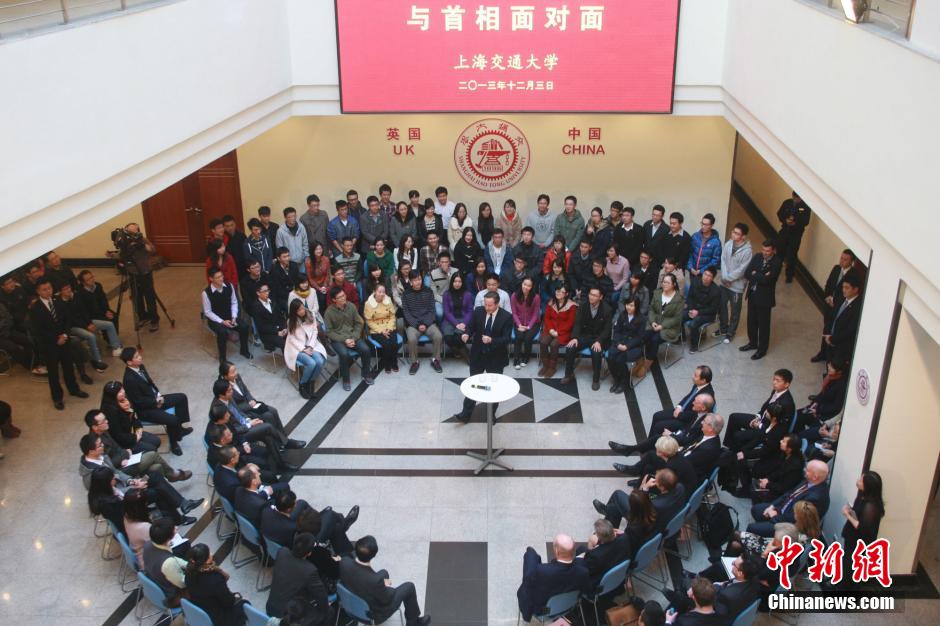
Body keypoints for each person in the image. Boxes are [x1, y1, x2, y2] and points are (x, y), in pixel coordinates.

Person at [80, 435, 201, 525]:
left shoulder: (102, 456)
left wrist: (131, 481)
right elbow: (110, 494)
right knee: (157, 491)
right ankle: (178, 518)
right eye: (99, 445)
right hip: (123, 498)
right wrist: (132, 487)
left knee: (155, 475)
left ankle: (182, 504)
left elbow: (117, 472)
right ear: (91, 451)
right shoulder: (90, 475)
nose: (103, 446)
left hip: (126, 486)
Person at [340, 535, 431, 626]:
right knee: (409, 587)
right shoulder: (375, 581)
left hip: (351, 607)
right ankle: (413, 623)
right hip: (374, 615)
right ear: (374, 554)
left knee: (384, 573)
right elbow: (386, 600)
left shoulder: (344, 562)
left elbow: (369, 578)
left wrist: (381, 582)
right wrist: (385, 586)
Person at [452, 291, 514, 423]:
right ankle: (465, 414)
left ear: (497, 304)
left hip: (496, 357)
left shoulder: (506, 317)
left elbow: (507, 338)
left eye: (490, 305)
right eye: (485, 304)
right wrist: (467, 334)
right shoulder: (478, 311)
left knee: (494, 387)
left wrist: (492, 340)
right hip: (478, 354)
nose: (487, 307)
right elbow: (471, 327)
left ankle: (491, 415)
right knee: (473, 384)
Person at [85, 409, 191, 482]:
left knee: (157, 467)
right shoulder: (95, 444)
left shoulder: (103, 431)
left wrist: (124, 453)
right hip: (120, 470)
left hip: (125, 459)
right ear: (94, 427)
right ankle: (173, 474)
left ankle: (164, 487)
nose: (107, 421)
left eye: (106, 419)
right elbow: (107, 464)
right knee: (152, 455)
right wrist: (125, 454)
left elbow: (117, 447)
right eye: (103, 421)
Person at [121, 347, 192, 455]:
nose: (140, 357)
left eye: (139, 355)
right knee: (172, 420)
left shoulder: (140, 366)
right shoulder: (129, 379)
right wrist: (155, 402)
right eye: (137, 357)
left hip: (155, 399)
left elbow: (150, 383)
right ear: (129, 362)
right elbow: (138, 401)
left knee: (182, 397)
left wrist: (158, 395)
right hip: (145, 410)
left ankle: (179, 430)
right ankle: (174, 443)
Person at [30, 278, 87, 409]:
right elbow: (38, 330)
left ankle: (74, 389)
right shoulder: (35, 308)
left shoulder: (58, 301)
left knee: (68, 367)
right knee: (53, 373)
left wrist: (65, 335)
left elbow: (67, 320)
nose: (48, 291)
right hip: (49, 346)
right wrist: (56, 339)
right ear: (38, 291)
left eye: (49, 288)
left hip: (64, 341)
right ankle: (57, 398)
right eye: (44, 289)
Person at [517, 533, 591, 623]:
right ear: (573, 550)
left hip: (544, 610)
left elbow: (528, 579)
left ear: (557, 551)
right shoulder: (583, 572)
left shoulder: (542, 571)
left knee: (531, 557)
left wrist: (530, 551)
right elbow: (585, 590)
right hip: (569, 605)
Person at [747, 460, 830, 537]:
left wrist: (774, 516)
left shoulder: (815, 498)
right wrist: (772, 506)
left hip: (791, 525)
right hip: (784, 509)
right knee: (756, 509)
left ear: (815, 477)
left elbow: (794, 518)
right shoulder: (809, 480)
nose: (804, 470)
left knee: (751, 528)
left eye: (807, 470)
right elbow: (790, 493)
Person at [266, 533, 332, 624]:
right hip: (288, 616)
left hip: (270, 607)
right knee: (329, 611)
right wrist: (326, 606)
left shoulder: (282, 552)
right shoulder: (310, 570)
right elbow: (321, 596)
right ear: (309, 553)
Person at [724, 369, 795, 450]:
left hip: (766, 431)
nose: (774, 382)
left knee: (738, 435)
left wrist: (759, 425)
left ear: (786, 384)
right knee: (734, 417)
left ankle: (736, 451)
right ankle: (729, 445)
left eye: (778, 381)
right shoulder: (776, 391)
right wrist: (758, 416)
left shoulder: (787, 404)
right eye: (774, 379)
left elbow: (778, 428)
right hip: (762, 420)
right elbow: (765, 406)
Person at [838, 471, 885, 588]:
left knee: (850, 568)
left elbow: (862, 528)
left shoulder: (871, 505)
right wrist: (851, 511)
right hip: (852, 537)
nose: (858, 481)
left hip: (859, 542)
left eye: (861, 480)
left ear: (867, 486)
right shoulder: (862, 496)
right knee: (846, 564)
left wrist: (847, 514)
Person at [561, 287, 613, 389]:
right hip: (585, 335)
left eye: (595, 295)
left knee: (596, 352)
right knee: (570, 347)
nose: (591, 297)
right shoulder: (583, 306)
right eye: (590, 294)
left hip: (598, 337)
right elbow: (577, 323)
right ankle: (568, 374)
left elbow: (607, 330)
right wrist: (575, 337)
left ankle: (596, 379)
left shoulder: (607, 309)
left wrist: (599, 341)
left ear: (600, 297)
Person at [634, 274, 684, 381]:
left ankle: (646, 365)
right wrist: (652, 322)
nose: (664, 284)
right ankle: (640, 360)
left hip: (669, 327)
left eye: (667, 282)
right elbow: (651, 309)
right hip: (655, 322)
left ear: (673, 284)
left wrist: (663, 326)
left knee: (654, 339)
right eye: (663, 282)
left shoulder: (679, 299)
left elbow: (677, 318)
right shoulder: (657, 293)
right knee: (643, 335)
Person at [183, 543, 248, 625]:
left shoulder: (188, 574)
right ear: (206, 561)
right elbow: (229, 602)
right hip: (217, 618)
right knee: (245, 604)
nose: (212, 554)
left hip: (201, 611)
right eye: (209, 554)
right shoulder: (215, 579)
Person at [324, 286, 374, 390]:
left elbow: (359, 323)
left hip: (352, 336)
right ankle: (346, 379)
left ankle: (366, 373)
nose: (343, 298)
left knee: (366, 349)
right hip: (338, 339)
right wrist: (344, 340)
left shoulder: (351, 306)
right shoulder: (329, 312)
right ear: (334, 300)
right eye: (340, 297)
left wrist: (354, 337)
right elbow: (329, 332)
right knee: (344, 354)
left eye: (344, 295)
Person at [740, 240, 782, 360]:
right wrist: (760, 275)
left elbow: (768, 280)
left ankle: (762, 349)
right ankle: (752, 343)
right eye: (763, 249)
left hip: (764, 298)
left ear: (773, 250)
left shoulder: (777, 263)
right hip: (752, 294)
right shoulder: (757, 257)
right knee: (751, 321)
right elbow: (747, 273)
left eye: (767, 251)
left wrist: (755, 274)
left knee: (763, 325)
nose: (764, 252)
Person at [202, 267, 252, 364]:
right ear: (211, 279)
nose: (221, 278)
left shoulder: (229, 286)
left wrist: (234, 317)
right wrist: (222, 321)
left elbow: (234, 302)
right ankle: (222, 357)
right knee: (222, 332)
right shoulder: (206, 293)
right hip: (216, 320)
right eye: (217, 277)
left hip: (230, 316)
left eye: (221, 276)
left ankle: (244, 350)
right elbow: (208, 312)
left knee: (244, 326)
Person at [117, 223, 160, 331]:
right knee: (136, 297)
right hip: (132, 272)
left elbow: (153, 250)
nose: (131, 233)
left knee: (150, 297)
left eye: (134, 230)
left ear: (138, 231)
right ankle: (142, 317)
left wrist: (141, 243)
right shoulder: (125, 241)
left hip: (145, 271)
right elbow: (122, 254)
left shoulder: (142, 239)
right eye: (129, 231)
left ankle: (154, 320)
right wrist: (112, 255)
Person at [57, 284, 109, 372]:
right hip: (72, 327)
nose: (68, 290)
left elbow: (84, 311)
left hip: (83, 323)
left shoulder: (76, 297)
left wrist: (89, 323)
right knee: (90, 336)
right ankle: (97, 362)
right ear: (60, 292)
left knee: (98, 329)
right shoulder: (60, 303)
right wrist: (86, 326)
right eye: (65, 289)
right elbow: (70, 320)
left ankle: (101, 353)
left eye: (69, 287)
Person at [715, 223, 753, 344]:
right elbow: (723, 260)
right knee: (721, 306)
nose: (733, 234)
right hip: (724, 282)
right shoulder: (728, 244)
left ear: (743, 236)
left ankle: (730, 333)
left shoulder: (747, 251)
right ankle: (723, 328)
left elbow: (742, 270)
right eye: (733, 232)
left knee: (735, 310)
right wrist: (725, 277)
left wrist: (729, 279)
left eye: (737, 233)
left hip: (736, 286)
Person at [401, 271, 443, 375]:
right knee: (411, 339)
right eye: (415, 280)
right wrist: (417, 325)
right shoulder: (405, 294)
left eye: (419, 279)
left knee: (438, 336)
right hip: (413, 324)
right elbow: (406, 313)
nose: (418, 282)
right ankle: (414, 362)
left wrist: (426, 324)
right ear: (410, 282)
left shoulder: (428, 291)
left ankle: (436, 360)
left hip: (428, 322)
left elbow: (432, 310)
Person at [283, 300, 327, 398]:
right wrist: (303, 349)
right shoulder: (291, 321)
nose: (302, 311)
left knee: (319, 361)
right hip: (297, 348)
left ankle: (311, 382)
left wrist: (310, 346)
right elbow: (291, 339)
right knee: (311, 363)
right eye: (299, 310)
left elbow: (315, 331)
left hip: (311, 344)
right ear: (295, 312)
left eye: (303, 308)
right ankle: (302, 384)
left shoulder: (310, 315)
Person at [76, 269, 124, 356]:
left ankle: (111, 339)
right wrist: (89, 323)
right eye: (88, 279)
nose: (92, 280)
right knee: (107, 322)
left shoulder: (98, 285)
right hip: (91, 316)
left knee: (114, 316)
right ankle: (114, 344)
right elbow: (82, 310)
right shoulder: (80, 292)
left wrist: (107, 311)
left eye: (92, 277)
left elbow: (103, 300)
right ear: (83, 282)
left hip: (101, 311)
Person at [746, 433, 805, 502]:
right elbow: (778, 471)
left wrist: (768, 484)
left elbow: (784, 488)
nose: (780, 441)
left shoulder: (795, 467)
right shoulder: (785, 453)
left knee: (755, 493)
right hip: (777, 483)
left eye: (783, 441)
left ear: (789, 449)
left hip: (783, 494)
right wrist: (768, 479)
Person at [793, 359, 848, 432]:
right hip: (819, 406)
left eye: (832, 367)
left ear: (839, 371)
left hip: (824, 415)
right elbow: (823, 393)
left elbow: (835, 407)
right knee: (796, 414)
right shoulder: (830, 377)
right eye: (829, 365)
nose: (828, 367)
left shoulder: (841, 386)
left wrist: (818, 410)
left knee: (799, 418)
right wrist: (816, 402)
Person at [142, 517, 188, 605]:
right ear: (168, 537)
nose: (176, 528)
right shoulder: (168, 563)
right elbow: (182, 583)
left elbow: (177, 561)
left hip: (158, 580)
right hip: (173, 595)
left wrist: (187, 565)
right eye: (174, 529)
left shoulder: (148, 544)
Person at [820, 272, 863, 364]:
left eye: (847, 288)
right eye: (843, 287)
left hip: (841, 347)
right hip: (830, 339)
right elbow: (833, 315)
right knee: (828, 363)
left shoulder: (858, 307)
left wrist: (833, 339)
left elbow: (850, 330)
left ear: (855, 289)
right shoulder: (842, 297)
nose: (843, 290)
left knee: (834, 367)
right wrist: (828, 333)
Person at [607, 297, 646, 393]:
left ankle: (624, 382)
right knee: (610, 356)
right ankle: (617, 380)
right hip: (620, 342)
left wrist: (627, 346)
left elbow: (639, 337)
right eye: (627, 304)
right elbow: (616, 331)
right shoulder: (622, 315)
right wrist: (618, 343)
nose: (629, 307)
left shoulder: (641, 319)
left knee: (620, 359)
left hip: (634, 346)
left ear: (636, 307)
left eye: (632, 305)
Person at [538, 285, 578, 379]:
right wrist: (551, 329)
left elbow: (570, 322)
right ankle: (545, 365)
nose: (558, 293)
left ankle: (552, 368)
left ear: (566, 294)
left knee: (554, 344)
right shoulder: (551, 302)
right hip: (550, 329)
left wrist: (558, 332)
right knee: (543, 342)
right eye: (557, 291)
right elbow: (547, 318)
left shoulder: (572, 306)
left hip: (564, 332)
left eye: (561, 291)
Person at [580, 519, 630, 587]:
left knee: (580, 552)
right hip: (618, 577)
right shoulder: (625, 538)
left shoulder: (596, 555)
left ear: (599, 538)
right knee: (581, 548)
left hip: (599, 583)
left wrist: (588, 551)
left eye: (596, 533)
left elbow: (587, 571)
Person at [775, 191, 812, 283]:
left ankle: (789, 275)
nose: (796, 200)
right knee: (779, 250)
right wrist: (785, 220)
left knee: (792, 255)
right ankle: (775, 270)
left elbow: (805, 221)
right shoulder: (787, 203)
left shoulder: (805, 207)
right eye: (795, 198)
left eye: (798, 199)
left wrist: (795, 223)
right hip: (785, 230)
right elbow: (780, 213)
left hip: (796, 234)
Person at [364, 283, 400, 374]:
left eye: (383, 292)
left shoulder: (388, 300)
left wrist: (389, 328)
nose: (382, 294)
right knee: (386, 345)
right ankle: (387, 364)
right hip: (376, 330)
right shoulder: (368, 304)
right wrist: (381, 331)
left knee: (394, 344)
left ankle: (394, 362)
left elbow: (392, 316)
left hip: (389, 327)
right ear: (374, 292)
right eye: (379, 292)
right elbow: (369, 321)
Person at [683, 267, 720, 353]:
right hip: (694, 309)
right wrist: (691, 309)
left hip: (707, 314)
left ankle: (694, 346)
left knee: (694, 323)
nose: (706, 277)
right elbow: (690, 297)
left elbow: (713, 309)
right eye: (705, 274)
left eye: (709, 276)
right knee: (680, 316)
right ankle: (682, 337)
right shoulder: (695, 282)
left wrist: (698, 312)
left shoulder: (716, 290)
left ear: (712, 278)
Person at [664, 576, 730, 625]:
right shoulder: (723, 609)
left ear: (693, 597)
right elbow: (716, 586)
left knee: (681, 594)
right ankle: (677, 596)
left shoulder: (684, 622)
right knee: (681, 596)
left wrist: (668, 622)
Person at [441, 273, 473, 361]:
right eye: (455, 281)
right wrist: (456, 324)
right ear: (452, 282)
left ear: (463, 283)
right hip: (449, 320)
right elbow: (447, 312)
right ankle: (460, 351)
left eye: (459, 281)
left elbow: (470, 311)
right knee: (448, 338)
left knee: (458, 337)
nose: (457, 284)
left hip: (463, 319)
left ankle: (466, 356)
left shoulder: (468, 294)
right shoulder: (446, 294)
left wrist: (464, 323)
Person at [510, 276, 540, 369]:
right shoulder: (514, 295)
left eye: (529, 285)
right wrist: (519, 325)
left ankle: (526, 358)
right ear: (521, 284)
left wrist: (528, 327)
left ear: (532, 287)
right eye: (524, 284)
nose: (526, 287)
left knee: (527, 338)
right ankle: (516, 359)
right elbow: (514, 313)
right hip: (519, 322)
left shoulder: (536, 297)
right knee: (519, 337)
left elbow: (535, 315)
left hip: (533, 323)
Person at [687, 213, 721, 286]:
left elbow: (715, 260)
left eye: (706, 225)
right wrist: (690, 267)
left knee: (703, 291)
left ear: (711, 225)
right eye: (702, 223)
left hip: (705, 274)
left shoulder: (716, 242)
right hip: (692, 272)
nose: (703, 226)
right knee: (692, 289)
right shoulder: (695, 236)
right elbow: (690, 253)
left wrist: (702, 271)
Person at [270, 247, 300, 317]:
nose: (287, 258)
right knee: (290, 307)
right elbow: (277, 289)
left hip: (295, 292)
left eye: (288, 256)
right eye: (284, 257)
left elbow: (297, 281)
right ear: (278, 258)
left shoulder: (294, 265)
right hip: (283, 296)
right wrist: (291, 294)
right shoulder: (274, 270)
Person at [428, 251, 457, 321]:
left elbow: (457, 287)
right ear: (439, 263)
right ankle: (440, 325)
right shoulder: (433, 274)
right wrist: (444, 301)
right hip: (439, 298)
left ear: (449, 262)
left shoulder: (456, 271)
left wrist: (448, 274)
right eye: (442, 262)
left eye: (446, 262)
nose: (444, 264)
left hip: (453, 297)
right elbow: (434, 293)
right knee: (439, 313)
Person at [300, 194, 329, 259]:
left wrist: (329, 248)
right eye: (314, 206)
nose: (316, 207)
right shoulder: (303, 219)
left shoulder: (324, 214)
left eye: (318, 205)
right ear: (308, 205)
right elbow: (303, 238)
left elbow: (328, 232)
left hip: (324, 248)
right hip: (312, 249)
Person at [306, 242, 332, 313]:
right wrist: (319, 288)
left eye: (320, 248)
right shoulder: (308, 262)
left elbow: (328, 274)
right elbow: (310, 278)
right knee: (321, 298)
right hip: (314, 286)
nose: (319, 251)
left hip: (325, 284)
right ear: (313, 251)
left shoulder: (326, 259)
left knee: (331, 294)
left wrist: (325, 286)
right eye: (316, 249)